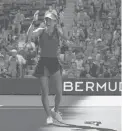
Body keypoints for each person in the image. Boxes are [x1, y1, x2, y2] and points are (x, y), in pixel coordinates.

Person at [26, 10, 70, 124]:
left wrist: (63, 23)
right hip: (43, 62)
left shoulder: (57, 31)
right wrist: (33, 22)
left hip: (54, 62)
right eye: (46, 19)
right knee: (45, 92)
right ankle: (49, 116)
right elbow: (29, 37)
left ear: (55, 21)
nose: (48, 21)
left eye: (50, 19)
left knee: (59, 92)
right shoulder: (41, 31)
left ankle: (55, 111)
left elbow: (66, 37)